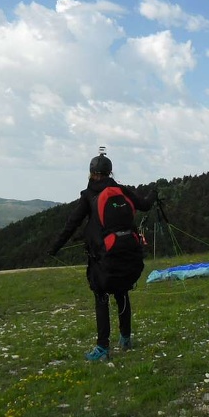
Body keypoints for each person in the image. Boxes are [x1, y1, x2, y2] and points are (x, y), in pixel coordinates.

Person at [49, 152, 156, 361]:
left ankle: (102, 348)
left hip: (103, 257)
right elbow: (144, 204)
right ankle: (125, 338)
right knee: (122, 293)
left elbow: (72, 224)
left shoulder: (89, 195)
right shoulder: (121, 190)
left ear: (92, 173)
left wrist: (53, 248)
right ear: (109, 172)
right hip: (128, 253)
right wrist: (154, 193)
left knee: (101, 297)